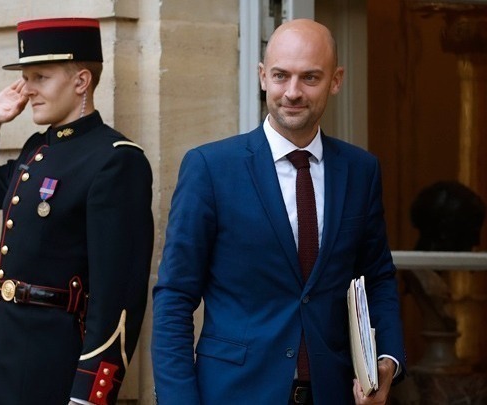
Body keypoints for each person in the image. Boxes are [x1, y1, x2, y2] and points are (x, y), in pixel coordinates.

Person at [151, 19, 405, 404]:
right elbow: (174, 295)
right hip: (233, 393)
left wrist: (387, 360)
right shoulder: (211, 168)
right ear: (262, 77)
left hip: (334, 392)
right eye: (281, 75)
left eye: (310, 77)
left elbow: (378, 278)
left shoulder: (360, 171)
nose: (293, 92)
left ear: (336, 80)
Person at [0, 18, 153, 405]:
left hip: (50, 364)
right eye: (25, 78)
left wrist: (89, 394)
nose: (28, 89)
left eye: (40, 77)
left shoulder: (115, 160)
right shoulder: (37, 150)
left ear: (81, 81)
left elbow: (118, 297)